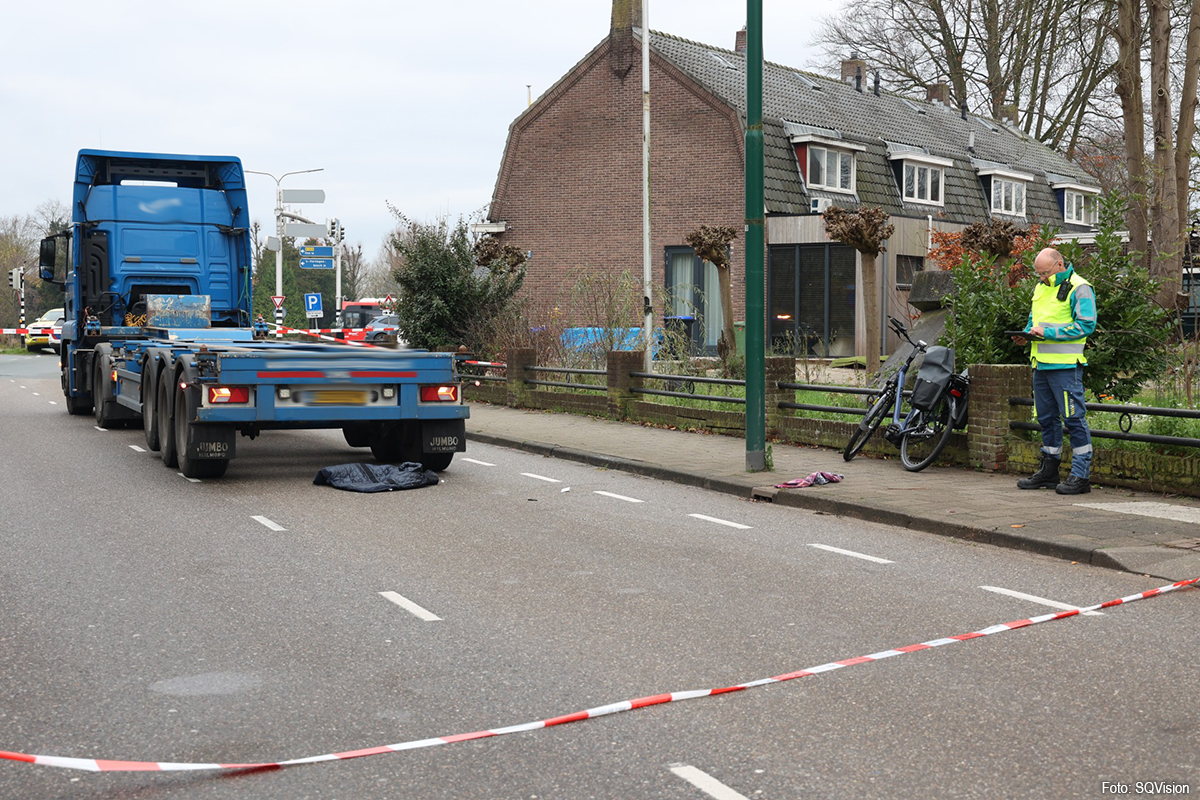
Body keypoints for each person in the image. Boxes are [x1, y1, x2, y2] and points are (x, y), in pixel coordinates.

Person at [1011, 248, 1097, 494]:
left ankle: (1081, 476)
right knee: (1047, 420)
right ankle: (1049, 472)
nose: (1041, 278)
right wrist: (1026, 335)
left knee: (1074, 419)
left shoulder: (1080, 287)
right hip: (1041, 365)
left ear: (1060, 265)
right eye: (1038, 274)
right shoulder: (1041, 288)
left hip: (1066, 367)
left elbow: (1086, 325)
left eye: (1045, 273)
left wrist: (1046, 333)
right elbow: (1034, 321)